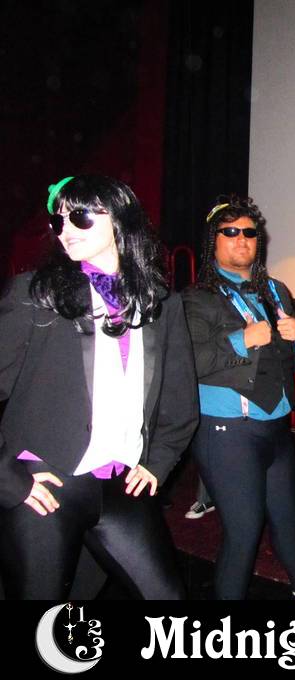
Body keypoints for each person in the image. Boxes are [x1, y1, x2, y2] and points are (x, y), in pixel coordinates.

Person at [0, 175, 197, 599]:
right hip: (45, 483)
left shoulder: (161, 303)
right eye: (58, 220)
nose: (66, 229)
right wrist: (7, 478)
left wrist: (158, 462)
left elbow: (180, 402)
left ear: (120, 218)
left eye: (81, 216)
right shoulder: (36, 294)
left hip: (120, 484)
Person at [182, 195, 295, 600]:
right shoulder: (197, 297)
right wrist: (240, 340)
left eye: (249, 232)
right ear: (213, 240)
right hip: (227, 432)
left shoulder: (276, 290)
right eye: (230, 232)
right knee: (243, 530)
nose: (241, 239)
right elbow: (189, 360)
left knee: (288, 518)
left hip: (276, 428)